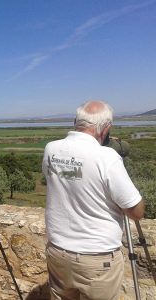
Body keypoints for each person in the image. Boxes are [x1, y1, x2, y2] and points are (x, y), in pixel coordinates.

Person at [42, 100, 145, 300]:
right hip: (97, 257)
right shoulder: (107, 157)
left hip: (58, 252)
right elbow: (136, 212)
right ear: (106, 128)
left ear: (75, 122)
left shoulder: (51, 149)